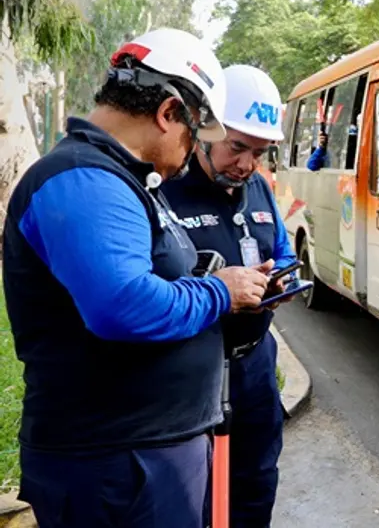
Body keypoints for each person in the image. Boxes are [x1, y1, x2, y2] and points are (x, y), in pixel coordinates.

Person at [1, 28, 272, 528]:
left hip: (143, 458)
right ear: (169, 113)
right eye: (195, 135)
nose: (193, 153)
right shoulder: (82, 179)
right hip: (115, 464)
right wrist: (220, 291)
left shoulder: (122, 180)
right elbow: (123, 304)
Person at [161, 64, 297, 527]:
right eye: (237, 147)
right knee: (193, 494)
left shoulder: (257, 186)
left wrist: (279, 278)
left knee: (256, 482)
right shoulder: (165, 189)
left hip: (255, 365)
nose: (245, 164)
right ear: (203, 128)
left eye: (259, 152)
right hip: (191, 368)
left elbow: (280, 248)